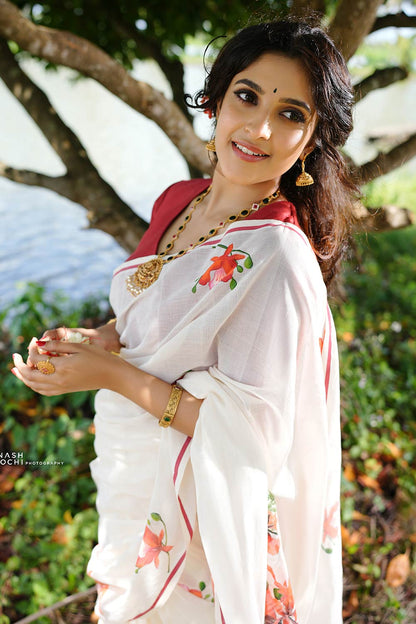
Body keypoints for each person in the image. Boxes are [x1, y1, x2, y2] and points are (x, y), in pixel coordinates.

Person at [12, 18, 357, 624]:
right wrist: (96, 342)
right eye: (247, 97)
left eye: (292, 115)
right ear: (217, 101)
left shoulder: (276, 257)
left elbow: (253, 437)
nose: (260, 128)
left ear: (311, 141)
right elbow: (146, 321)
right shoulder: (179, 199)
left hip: (200, 515)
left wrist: (108, 374)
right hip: (135, 478)